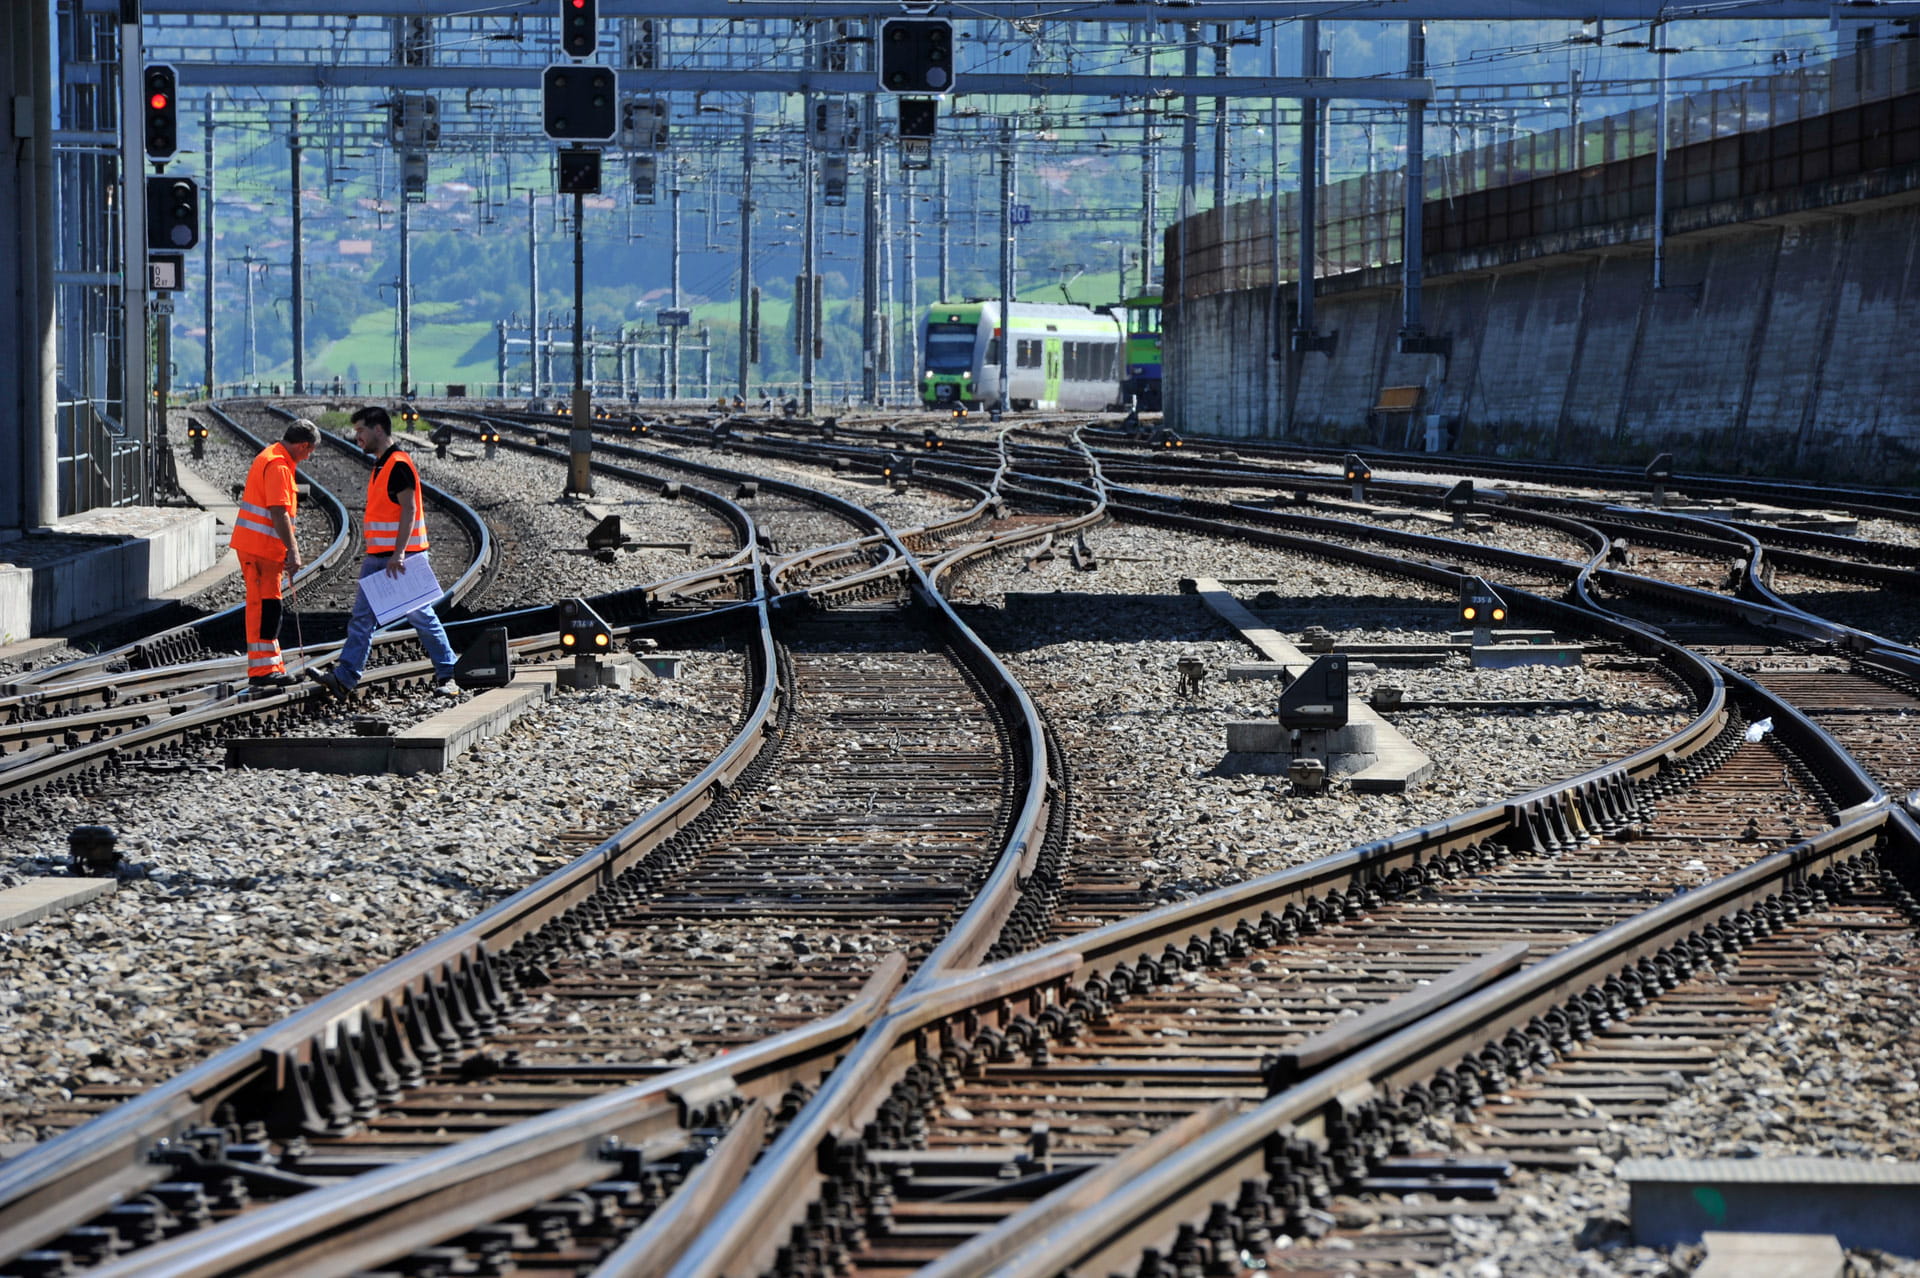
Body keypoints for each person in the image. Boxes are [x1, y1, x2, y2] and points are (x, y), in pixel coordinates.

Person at [314, 405, 460, 700]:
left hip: (401, 558)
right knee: (362, 619)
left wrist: (400, 553)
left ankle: (450, 674)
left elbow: (409, 509)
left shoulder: (399, 465)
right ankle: (344, 678)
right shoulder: (382, 464)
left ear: (378, 429)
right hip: (379, 556)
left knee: (421, 616)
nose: (357, 437)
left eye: (361, 431)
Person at [229, 419, 318, 690]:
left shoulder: (273, 458)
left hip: (262, 550)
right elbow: (278, 512)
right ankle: (262, 670)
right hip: (260, 551)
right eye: (310, 451)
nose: (309, 456)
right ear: (303, 445)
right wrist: (293, 551)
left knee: (270, 609)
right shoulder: (278, 465)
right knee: (263, 609)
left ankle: (271, 665)